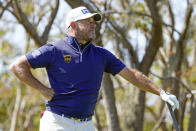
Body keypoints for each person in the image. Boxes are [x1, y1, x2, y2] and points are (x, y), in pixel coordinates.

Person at [10, 6, 179, 131]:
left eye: (94, 22)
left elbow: (132, 75)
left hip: (86, 124)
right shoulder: (54, 49)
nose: (93, 25)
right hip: (57, 122)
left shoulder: (102, 55)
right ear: (73, 25)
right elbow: (18, 66)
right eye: (88, 21)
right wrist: (43, 89)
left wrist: (161, 92)